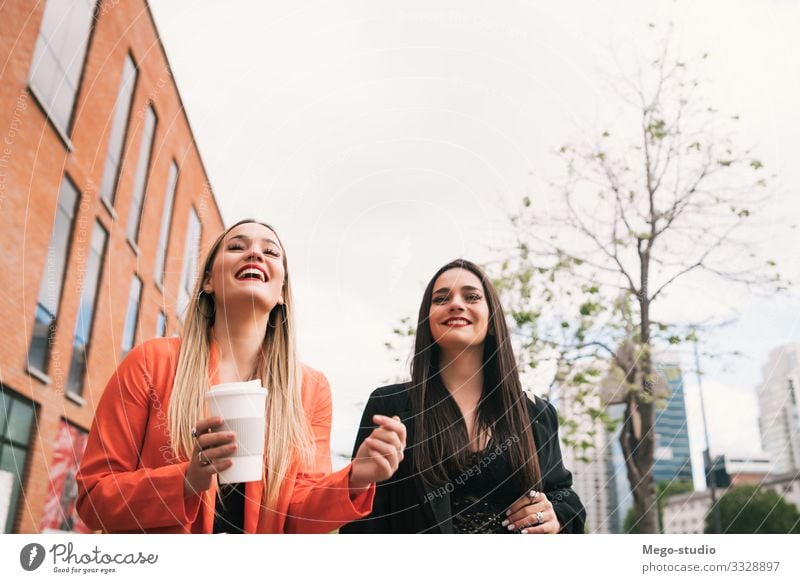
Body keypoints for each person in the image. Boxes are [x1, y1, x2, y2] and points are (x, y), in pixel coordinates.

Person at [76, 219, 406, 533]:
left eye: (271, 251)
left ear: (281, 291)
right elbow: (93, 499)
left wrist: (354, 480)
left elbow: (295, 519)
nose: (255, 253)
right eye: (236, 246)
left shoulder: (311, 389)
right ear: (207, 281)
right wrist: (187, 480)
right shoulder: (150, 362)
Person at [341, 259, 585, 534]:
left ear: (492, 321)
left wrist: (555, 516)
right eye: (442, 298)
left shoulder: (536, 413)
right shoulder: (391, 406)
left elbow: (564, 494)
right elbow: (362, 524)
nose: (456, 304)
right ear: (428, 321)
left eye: (471, 297)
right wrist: (357, 481)